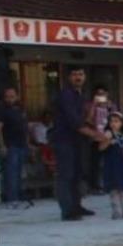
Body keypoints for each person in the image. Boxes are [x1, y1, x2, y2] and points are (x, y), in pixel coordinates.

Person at [51, 66, 102, 221]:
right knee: (66, 175)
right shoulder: (66, 95)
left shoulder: (81, 96)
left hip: (78, 142)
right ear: (69, 77)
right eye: (74, 74)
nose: (78, 77)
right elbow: (74, 122)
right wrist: (96, 135)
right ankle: (67, 210)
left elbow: (84, 119)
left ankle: (76, 206)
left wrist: (94, 107)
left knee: (77, 175)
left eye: (80, 74)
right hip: (64, 140)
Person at [0, 84, 30, 208]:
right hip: (11, 145)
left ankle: (19, 196)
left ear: (17, 96)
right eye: (7, 97)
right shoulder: (1, 110)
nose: (9, 99)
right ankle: (11, 199)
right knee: (11, 173)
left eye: (12, 96)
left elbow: (25, 127)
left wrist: (28, 143)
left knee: (20, 173)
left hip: (21, 144)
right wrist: (2, 146)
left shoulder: (19, 109)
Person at [99, 111, 123, 218]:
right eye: (111, 121)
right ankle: (117, 212)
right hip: (112, 164)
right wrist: (108, 141)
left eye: (116, 121)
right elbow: (101, 148)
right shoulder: (107, 134)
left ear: (122, 123)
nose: (113, 124)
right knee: (114, 189)